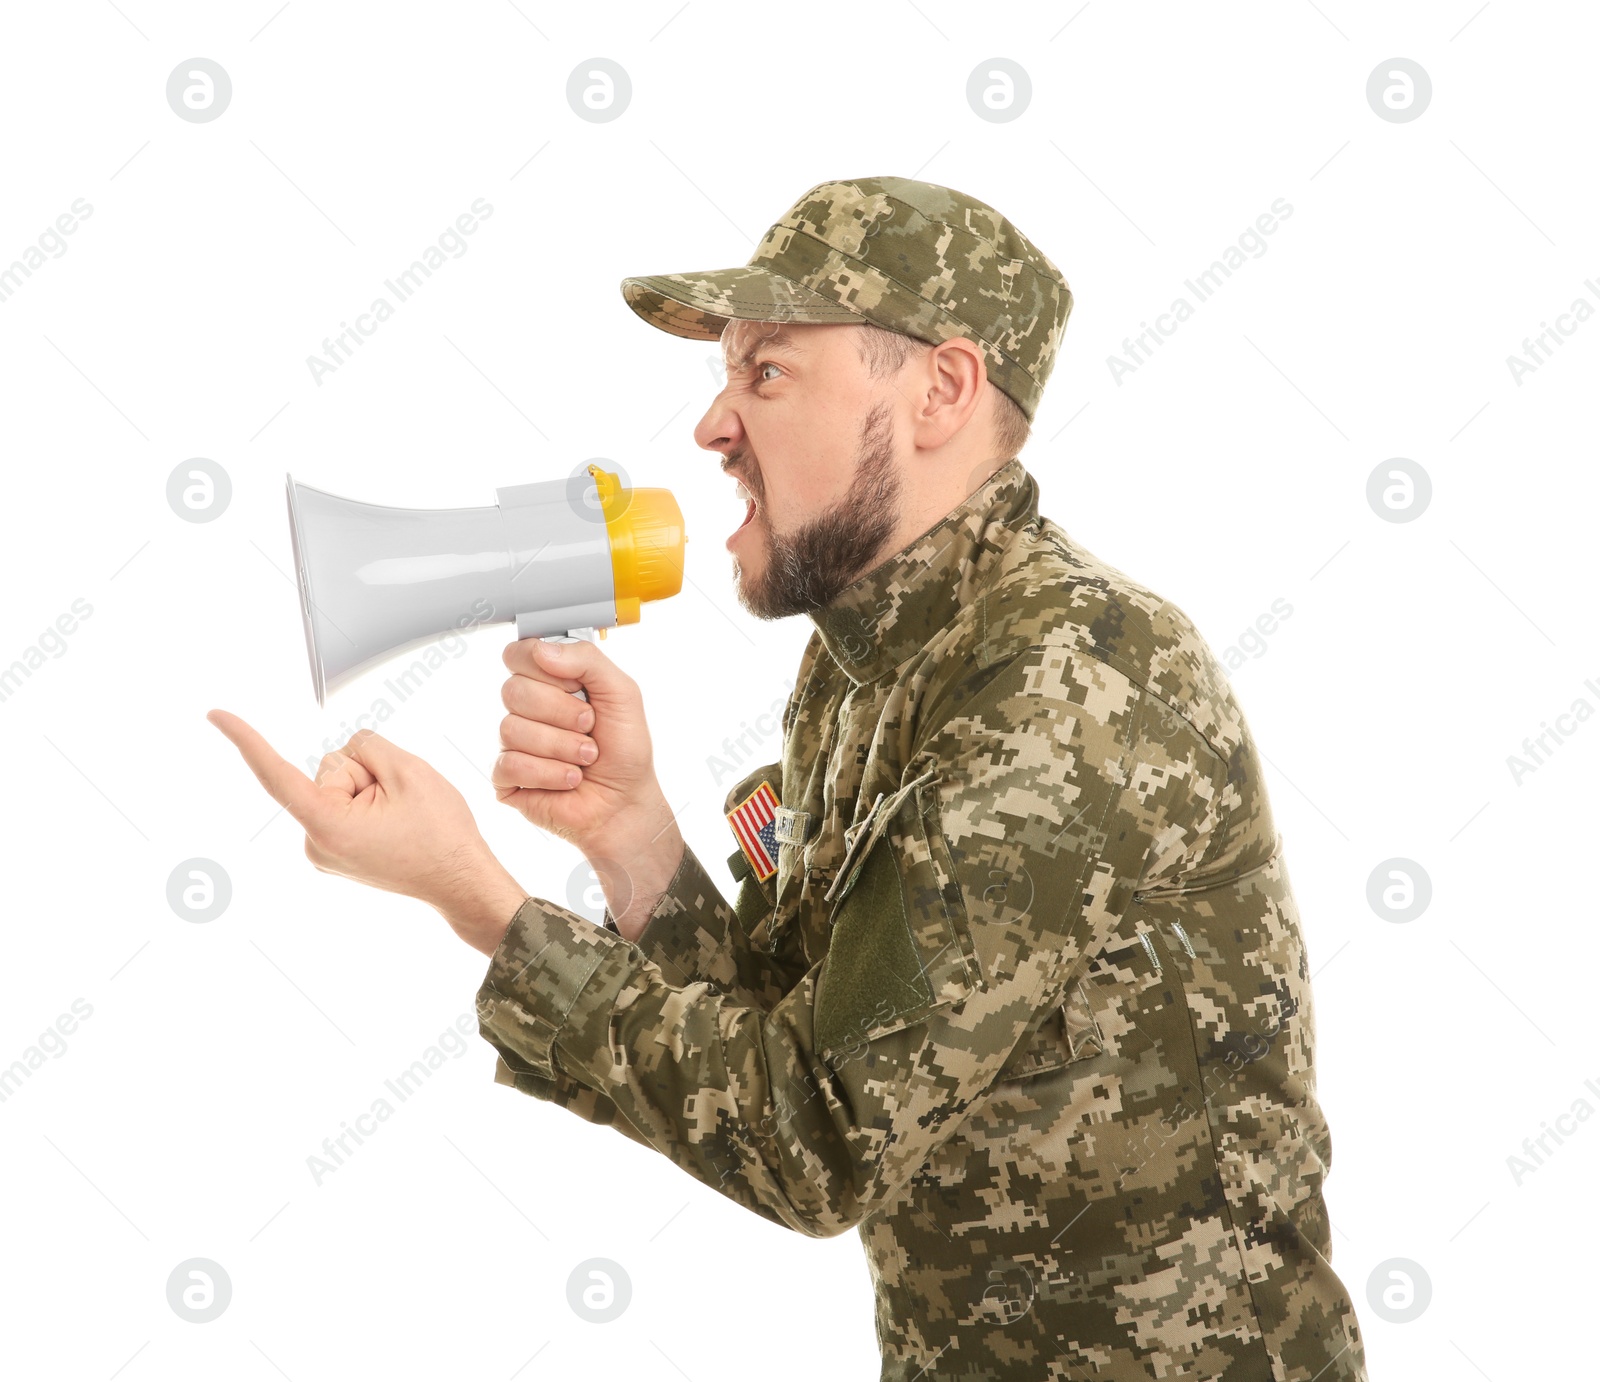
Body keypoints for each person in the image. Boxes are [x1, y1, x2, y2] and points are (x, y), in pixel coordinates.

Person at [209, 176, 1367, 1381]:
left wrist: (477, 899)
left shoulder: (1071, 678)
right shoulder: (864, 666)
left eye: (766, 373)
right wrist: (632, 835)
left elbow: (814, 1135)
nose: (713, 426)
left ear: (942, 390)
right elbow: (801, 1029)